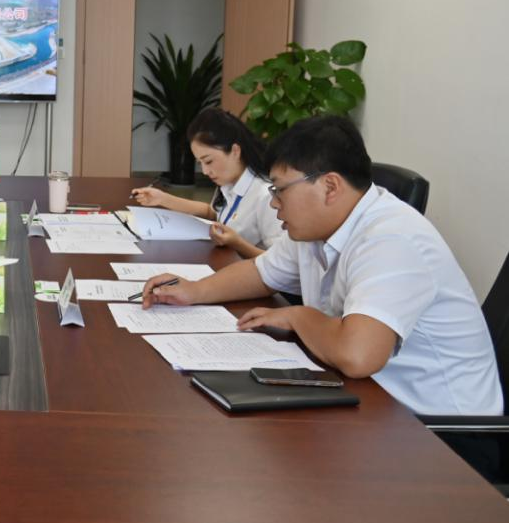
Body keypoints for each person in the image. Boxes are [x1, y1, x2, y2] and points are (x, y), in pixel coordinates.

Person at [140, 115, 502, 420]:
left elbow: (357, 356)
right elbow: (261, 273)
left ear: (330, 186)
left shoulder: (393, 239)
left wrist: (298, 316)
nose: (274, 203)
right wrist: (193, 291)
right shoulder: (317, 227)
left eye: (280, 190)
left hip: (441, 431)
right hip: (373, 403)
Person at [131, 108, 283, 258]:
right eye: (200, 163)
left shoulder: (266, 195)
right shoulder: (229, 182)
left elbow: (281, 263)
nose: (204, 171)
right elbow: (212, 212)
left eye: (209, 161)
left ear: (235, 151)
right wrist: (162, 199)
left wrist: (237, 243)